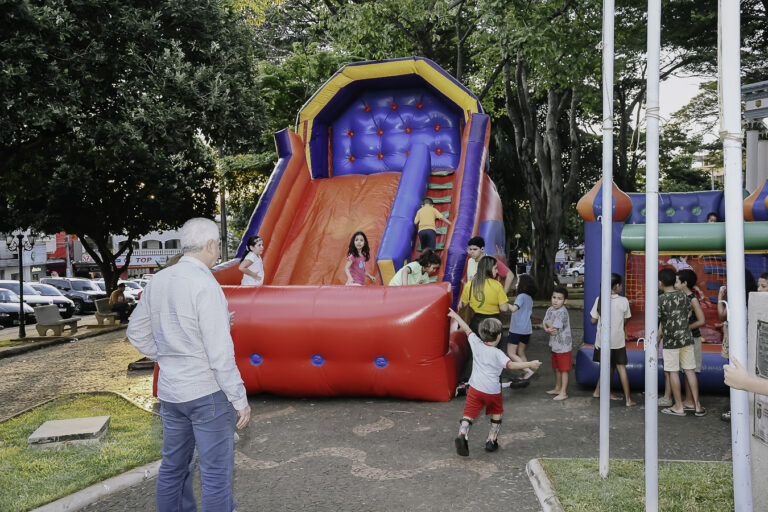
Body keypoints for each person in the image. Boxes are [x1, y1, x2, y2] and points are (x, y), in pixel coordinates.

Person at [127, 218, 251, 511]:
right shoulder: (206, 284)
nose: (217, 250)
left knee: (172, 468)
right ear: (210, 245)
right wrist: (239, 399)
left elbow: (136, 332)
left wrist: (166, 355)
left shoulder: (159, 280)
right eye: (217, 245)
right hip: (207, 392)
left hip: (172, 393)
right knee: (215, 476)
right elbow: (219, 354)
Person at [448, 309, 541, 456]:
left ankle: (463, 433)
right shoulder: (498, 354)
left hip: (475, 389)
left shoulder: (476, 343)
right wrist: (530, 364)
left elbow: (466, 328)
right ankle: (491, 440)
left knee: (468, 414)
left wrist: (455, 316)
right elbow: (512, 365)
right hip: (492, 391)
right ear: (499, 336)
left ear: (481, 334)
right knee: (496, 413)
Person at [455, 256, 516, 394]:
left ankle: (473, 386)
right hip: (493, 324)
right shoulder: (496, 285)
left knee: (475, 355)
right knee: (495, 356)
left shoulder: (470, 284)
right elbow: (503, 308)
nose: (497, 271)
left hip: (476, 323)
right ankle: (493, 387)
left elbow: (463, 304)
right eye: (495, 268)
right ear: (489, 269)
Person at [657, 268, 704, 417]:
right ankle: (697, 405)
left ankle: (678, 406)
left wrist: (657, 339)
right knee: (690, 370)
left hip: (671, 340)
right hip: (687, 339)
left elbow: (660, 322)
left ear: (660, 283)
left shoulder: (661, 299)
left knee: (673, 372)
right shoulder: (685, 296)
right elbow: (688, 313)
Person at [718, 270, 758, 422]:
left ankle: (736, 408)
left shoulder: (738, 300)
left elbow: (722, 315)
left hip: (738, 342)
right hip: (745, 341)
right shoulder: (750, 298)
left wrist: (720, 297)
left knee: (736, 375)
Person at [590, 273, 635, 406]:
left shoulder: (600, 299)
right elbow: (625, 320)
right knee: (620, 368)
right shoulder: (624, 301)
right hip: (617, 341)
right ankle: (628, 400)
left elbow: (593, 320)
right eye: (621, 285)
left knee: (607, 366)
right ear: (616, 286)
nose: (621, 287)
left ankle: (598, 391)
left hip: (602, 341)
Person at [676, 269, 706, 412]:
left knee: (689, 370)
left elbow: (701, 321)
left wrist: (685, 328)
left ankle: (693, 401)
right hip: (684, 338)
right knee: (685, 370)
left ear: (684, 283)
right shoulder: (680, 297)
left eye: (677, 281)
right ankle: (689, 400)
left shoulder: (692, 299)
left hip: (692, 338)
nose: (674, 284)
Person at [505, 274, 537, 380]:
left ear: (523, 284)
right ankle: (526, 373)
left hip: (517, 329)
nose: (516, 284)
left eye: (518, 282)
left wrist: (503, 302)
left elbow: (514, 309)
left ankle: (527, 371)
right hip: (526, 330)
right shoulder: (530, 298)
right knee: (521, 352)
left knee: (511, 353)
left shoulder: (521, 296)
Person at [543, 287, 572, 401]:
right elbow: (544, 322)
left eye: (559, 299)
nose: (555, 300)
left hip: (563, 346)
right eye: (554, 297)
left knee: (563, 369)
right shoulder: (550, 309)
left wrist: (548, 326)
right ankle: (558, 388)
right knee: (557, 368)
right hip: (555, 345)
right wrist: (547, 328)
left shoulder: (562, 312)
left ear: (565, 301)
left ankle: (563, 392)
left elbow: (554, 329)